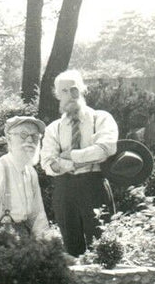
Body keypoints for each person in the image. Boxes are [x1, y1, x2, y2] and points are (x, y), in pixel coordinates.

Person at [40, 70, 119, 257]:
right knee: (71, 249)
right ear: (58, 95)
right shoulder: (54, 128)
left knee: (103, 246)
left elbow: (106, 149)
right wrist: (73, 164)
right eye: (64, 91)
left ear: (83, 90)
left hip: (94, 186)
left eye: (74, 89)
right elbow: (48, 164)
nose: (70, 95)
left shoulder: (101, 118)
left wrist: (72, 156)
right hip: (64, 189)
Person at [0, 115, 59, 257]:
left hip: (24, 240)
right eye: (23, 135)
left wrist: (48, 250)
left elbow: (37, 217)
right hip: (0, 241)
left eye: (35, 136)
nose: (30, 140)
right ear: (9, 139)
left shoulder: (31, 173)